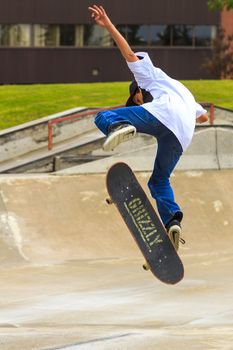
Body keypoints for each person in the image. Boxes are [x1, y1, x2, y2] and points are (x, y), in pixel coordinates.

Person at [88, 5, 209, 250]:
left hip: (162, 115)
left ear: (139, 93)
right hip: (182, 134)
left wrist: (108, 25)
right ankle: (172, 220)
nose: (137, 101)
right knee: (159, 181)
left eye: (136, 99)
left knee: (102, 116)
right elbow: (204, 118)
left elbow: (129, 54)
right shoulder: (181, 90)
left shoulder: (148, 77)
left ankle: (119, 126)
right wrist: (184, 117)